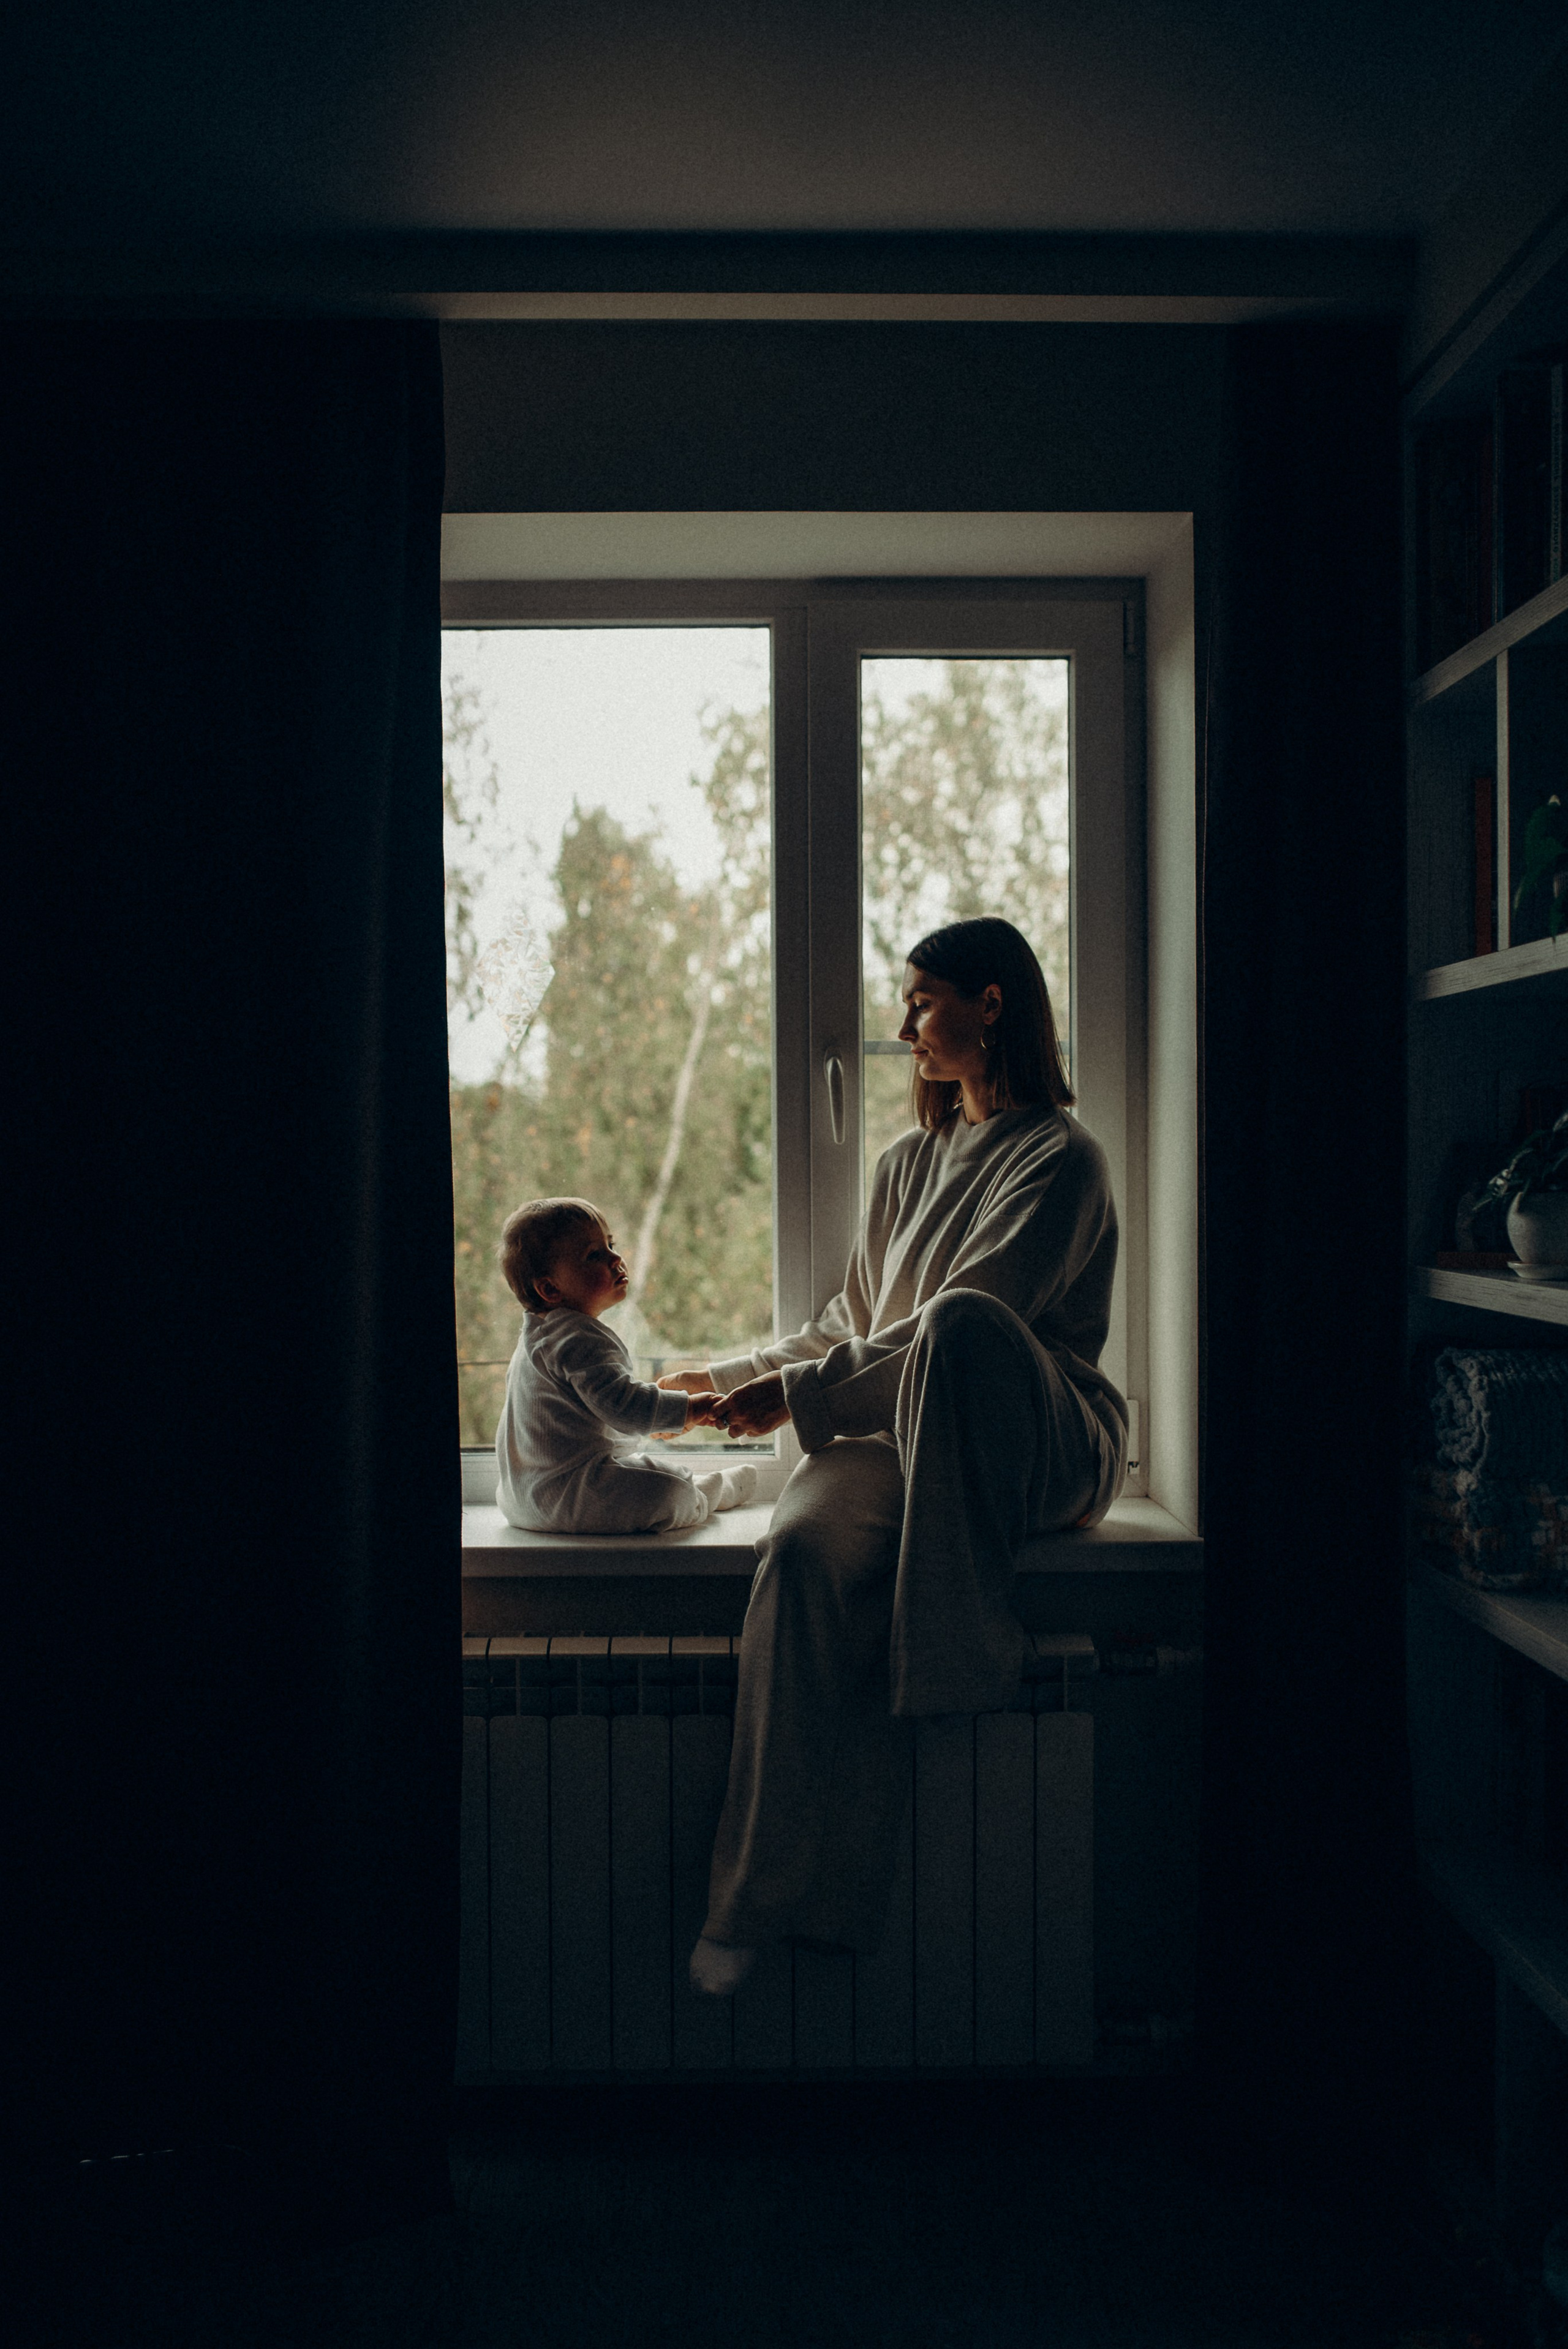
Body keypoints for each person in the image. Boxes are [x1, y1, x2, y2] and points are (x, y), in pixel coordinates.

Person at [659, 918, 1129, 1996]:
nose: (903, 1023)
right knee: (802, 1557)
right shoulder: (905, 1164)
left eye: (921, 999)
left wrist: (803, 1394)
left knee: (961, 1324)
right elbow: (849, 1326)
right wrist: (724, 1376)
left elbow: (976, 1318)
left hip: (1042, 1437)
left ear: (992, 1003)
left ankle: (955, 1650)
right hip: (898, 1434)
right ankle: (759, 1901)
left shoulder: (1064, 1157)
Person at [494, 1196, 757, 1534]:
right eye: (595, 1255)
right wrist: (689, 1409)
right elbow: (624, 1406)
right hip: (569, 1495)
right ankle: (706, 1495)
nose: (615, 1259)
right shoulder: (576, 1338)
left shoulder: (538, 1337)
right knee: (667, 1490)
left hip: (523, 1497)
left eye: (611, 1245)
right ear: (549, 1288)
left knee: (645, 1471)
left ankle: (695, 1486)